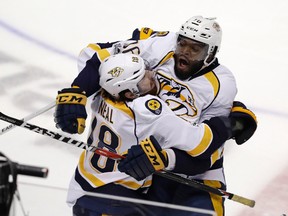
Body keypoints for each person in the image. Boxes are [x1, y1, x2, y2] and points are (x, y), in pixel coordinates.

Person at [54, 16, 257, 215]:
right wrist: (230, 124)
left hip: (194, 177)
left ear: (211, 53)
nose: (184, 52)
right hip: (149, 172)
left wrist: (78, 92)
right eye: (182, 44)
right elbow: (101, 54)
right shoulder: (153, 102)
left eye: (195, 49)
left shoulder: (222, 83)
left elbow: (207, 152)